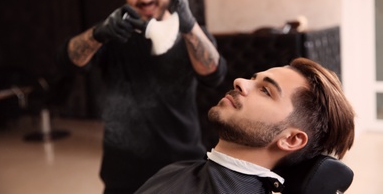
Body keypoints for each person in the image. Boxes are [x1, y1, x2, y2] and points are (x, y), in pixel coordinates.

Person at [56, 0, 227, 194]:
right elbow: (66, 62)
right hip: (123, 173)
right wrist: (98, 33)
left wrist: (189, 26)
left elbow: (215, 74)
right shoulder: (109, 34)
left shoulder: (191, 34)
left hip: (183, 167)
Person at [135, 57, 355, 194]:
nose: (240, 82)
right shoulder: (179, 170)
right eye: (253, 78)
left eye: (266, 91)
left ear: (291, 139)